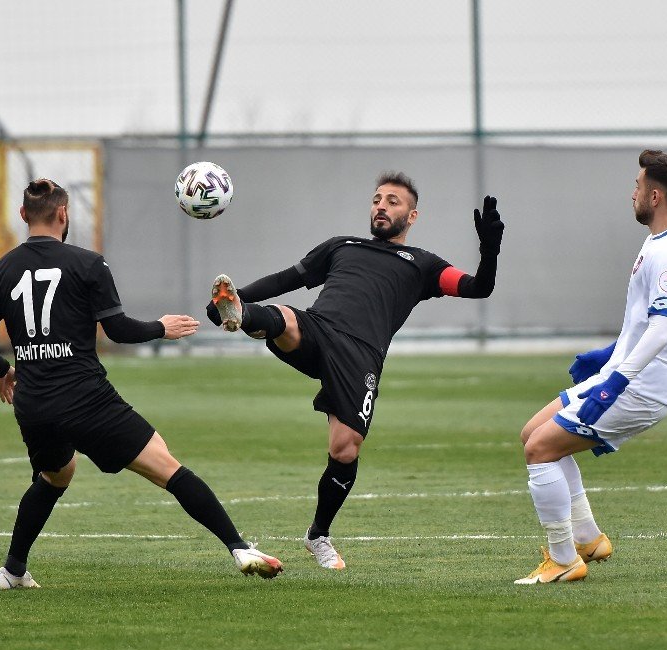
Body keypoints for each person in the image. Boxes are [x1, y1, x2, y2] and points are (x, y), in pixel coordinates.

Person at [0, 179, 283, 589]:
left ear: (23, 215)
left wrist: (3, 371)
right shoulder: (87, 263)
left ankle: (11, 571)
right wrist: (162, 327)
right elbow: (117, 329)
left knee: (54, 476)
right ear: (64, 214)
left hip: (34, 403)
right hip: (85, 399)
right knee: (167, 467)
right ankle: (240, 547)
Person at [207, 172, 504, 569]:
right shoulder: (340, 246)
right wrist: (237, 296)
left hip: (361, 357)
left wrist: (491, 249)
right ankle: (239, 315)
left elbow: (478, 287)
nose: (382, 205)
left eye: (393, 201)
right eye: (377, 199)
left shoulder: (423, 264)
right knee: (284, 318)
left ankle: (318, 535)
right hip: (319, 329)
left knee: (344, 449)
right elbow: (285, 280)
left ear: (412, 216)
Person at [515, 150, 667, 584]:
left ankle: (563, 560)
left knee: (539, 450)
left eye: (637, 186)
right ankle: (589, 539)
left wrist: (612, 381)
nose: (631, 193)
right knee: (532, 434)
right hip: (625, 375)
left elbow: (660, 330)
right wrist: (611, 353)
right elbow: (645, 323)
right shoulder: (661, 243)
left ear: (654, 196)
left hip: (639, 389)